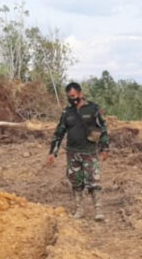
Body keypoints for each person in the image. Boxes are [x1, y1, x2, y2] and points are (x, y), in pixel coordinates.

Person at [46, 82, 110, 220]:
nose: (72, 99)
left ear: (80, 94)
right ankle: (79, 210)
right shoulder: (67, 112)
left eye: (74, 96)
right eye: (69, 97)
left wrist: (105, 148)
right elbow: (59, 133)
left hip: (90, 152)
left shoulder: (93, 109)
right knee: (76, 182)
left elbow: (103, 129)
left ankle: (98, 210)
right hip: (72, 153)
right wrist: (53, 152)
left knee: (94, 182)